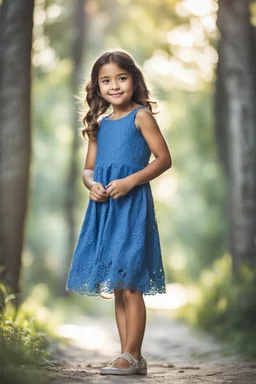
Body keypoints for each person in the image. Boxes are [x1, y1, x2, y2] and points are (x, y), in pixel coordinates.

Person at [66, 50, 172, 376]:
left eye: (121, 78)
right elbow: (87, 169)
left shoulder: (140, 116)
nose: (115, 85)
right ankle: (128, 356)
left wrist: (129, 181)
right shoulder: (98, 126)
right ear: (97, 87)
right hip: (105, 211)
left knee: (131, 284)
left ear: (134, 80)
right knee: (117, 286)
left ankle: (131, 354)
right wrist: (91, 185)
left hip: (132, 208)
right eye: (106, 80)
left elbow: (163, 159)